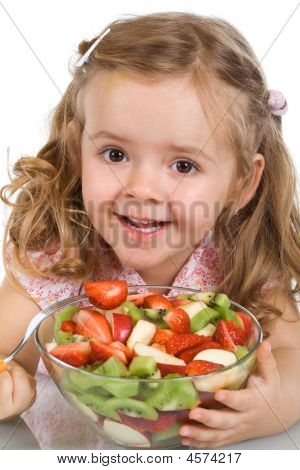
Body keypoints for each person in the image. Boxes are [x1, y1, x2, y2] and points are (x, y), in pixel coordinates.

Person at [0, 12, 299, 450]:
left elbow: (294, 356)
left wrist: (273, 405)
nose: (141, 188)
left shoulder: (243, 258)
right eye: (115, 153)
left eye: (183, 165)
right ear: (76, 150)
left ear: (242, 182)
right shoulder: (58, 255)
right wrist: (12, 386)